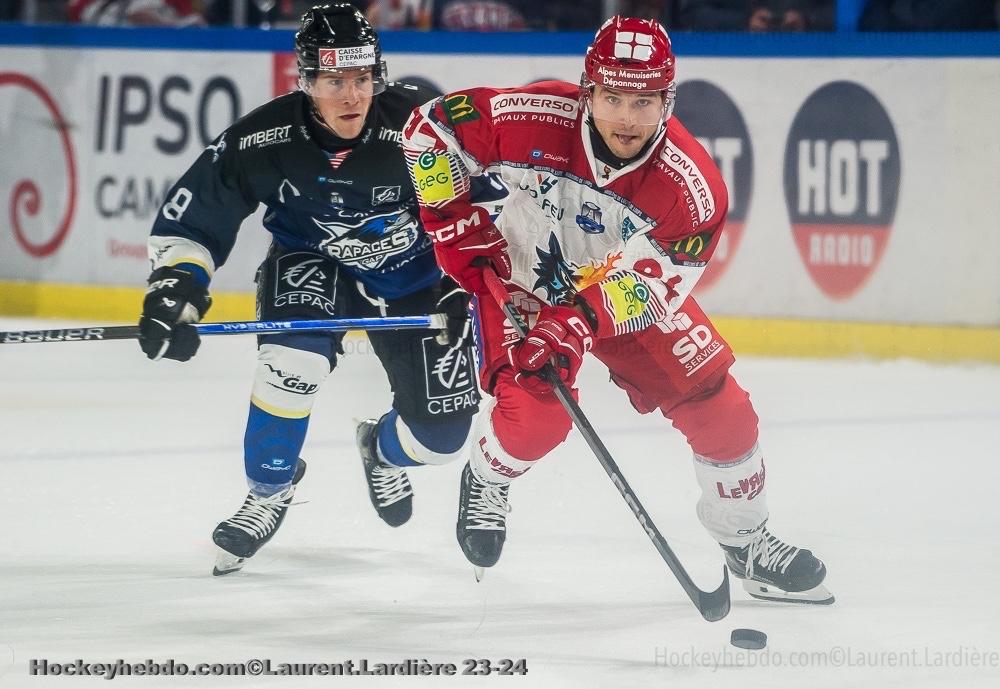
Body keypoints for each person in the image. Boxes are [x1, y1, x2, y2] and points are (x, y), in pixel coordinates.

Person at [402, 15, 833, 603]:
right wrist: (452, 226)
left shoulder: (692, 187)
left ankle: (746, 540)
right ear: (587, 91)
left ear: (667, 100)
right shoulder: (527, 117)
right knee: (538, 420)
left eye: (644, 101)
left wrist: (577, 321)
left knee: (722, 409)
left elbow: (656, 285)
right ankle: (488, 473)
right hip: (522, 278)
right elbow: (428, 129)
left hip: (617, 296)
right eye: (612, 98)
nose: (627, 118)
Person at [138, 3, 480, 575]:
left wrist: (465, 279)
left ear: (379, 75)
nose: (352, 96)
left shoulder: (424, 132)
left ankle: (379, 449)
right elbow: (193, 220)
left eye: (363, 79)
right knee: (289, 365)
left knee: (441, 440)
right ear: (307, 80)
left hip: (419, 279)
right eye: (335, 81)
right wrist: (176, 286)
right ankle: (270, 490)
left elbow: (488, 209)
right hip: (312, 261)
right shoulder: (263, 139)